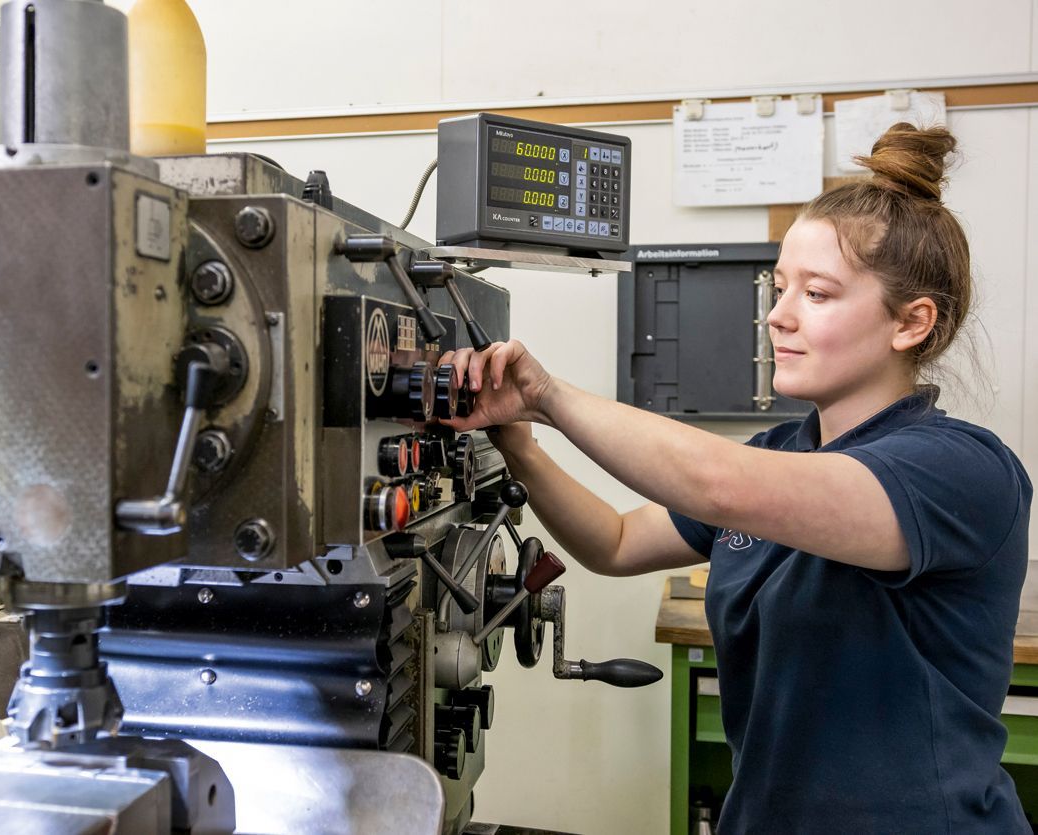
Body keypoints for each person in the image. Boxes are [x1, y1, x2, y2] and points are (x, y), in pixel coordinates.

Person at [441, 123, 1033, 834]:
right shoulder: (782, 450)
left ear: (910, 323)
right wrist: (520, 444)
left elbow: (721, 485)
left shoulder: (958, 470)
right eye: (778, 288)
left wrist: (548, 394)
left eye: (815, 294)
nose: (776, 316)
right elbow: (618, 541)